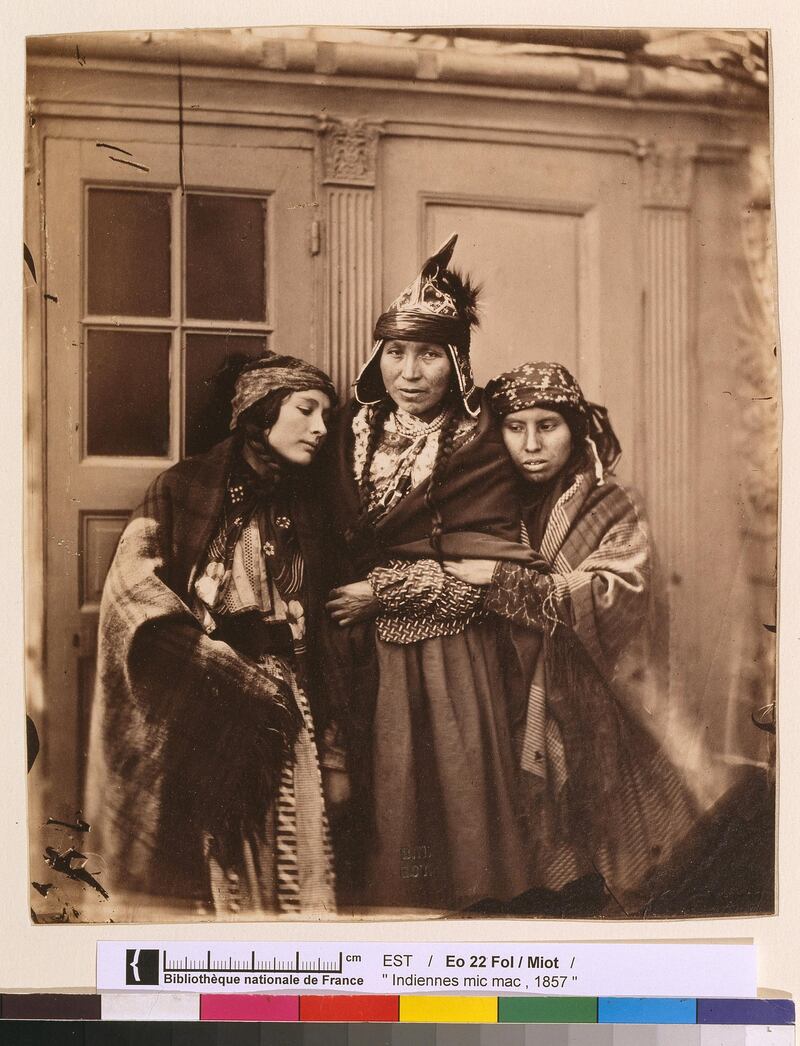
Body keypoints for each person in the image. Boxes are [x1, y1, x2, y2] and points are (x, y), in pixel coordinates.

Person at [86, 353, 340, 917]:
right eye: (306, 409)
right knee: (209, 865)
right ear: (260, 413)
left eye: (327, 413)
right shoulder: (184, 490)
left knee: (293, 854)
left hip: (288, 707)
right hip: (204, 701)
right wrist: (219, 665)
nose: (321, 427)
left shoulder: (309, 505)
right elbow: (133, 599)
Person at [324, 235, 535, 912]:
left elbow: (489, 571)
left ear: (458, 365)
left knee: (456, 791)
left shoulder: (481, 447)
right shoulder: (347, 436)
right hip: (359, 657)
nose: (409, 372)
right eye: (396, 352)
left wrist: (378, 591)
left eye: (428, 354)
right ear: (376, 358)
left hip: (448, 653)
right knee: (381, 790)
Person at [444, 361, 699, 915]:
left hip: (599, 712)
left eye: (547, 426)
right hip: (503, 702)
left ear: (577, 427)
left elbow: (613, 596)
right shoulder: (486, 507)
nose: (531, 445)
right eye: (515, 427)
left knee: (621, 873)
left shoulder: (613, 505)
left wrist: (502, 582)